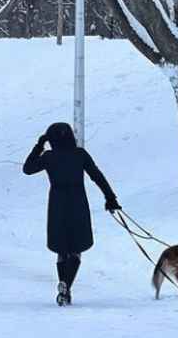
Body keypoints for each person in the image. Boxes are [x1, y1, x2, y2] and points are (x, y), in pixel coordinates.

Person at [22, 122, 121, 306]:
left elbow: (27, 169)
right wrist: (110, 198)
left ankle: (64, 287)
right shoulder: (79, 155)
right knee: (76, 249)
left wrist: (39, 146)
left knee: (62, 249)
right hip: (78, 204)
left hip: (57, 205)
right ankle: (67, 286)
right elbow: (97, 176)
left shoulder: (49, 157)